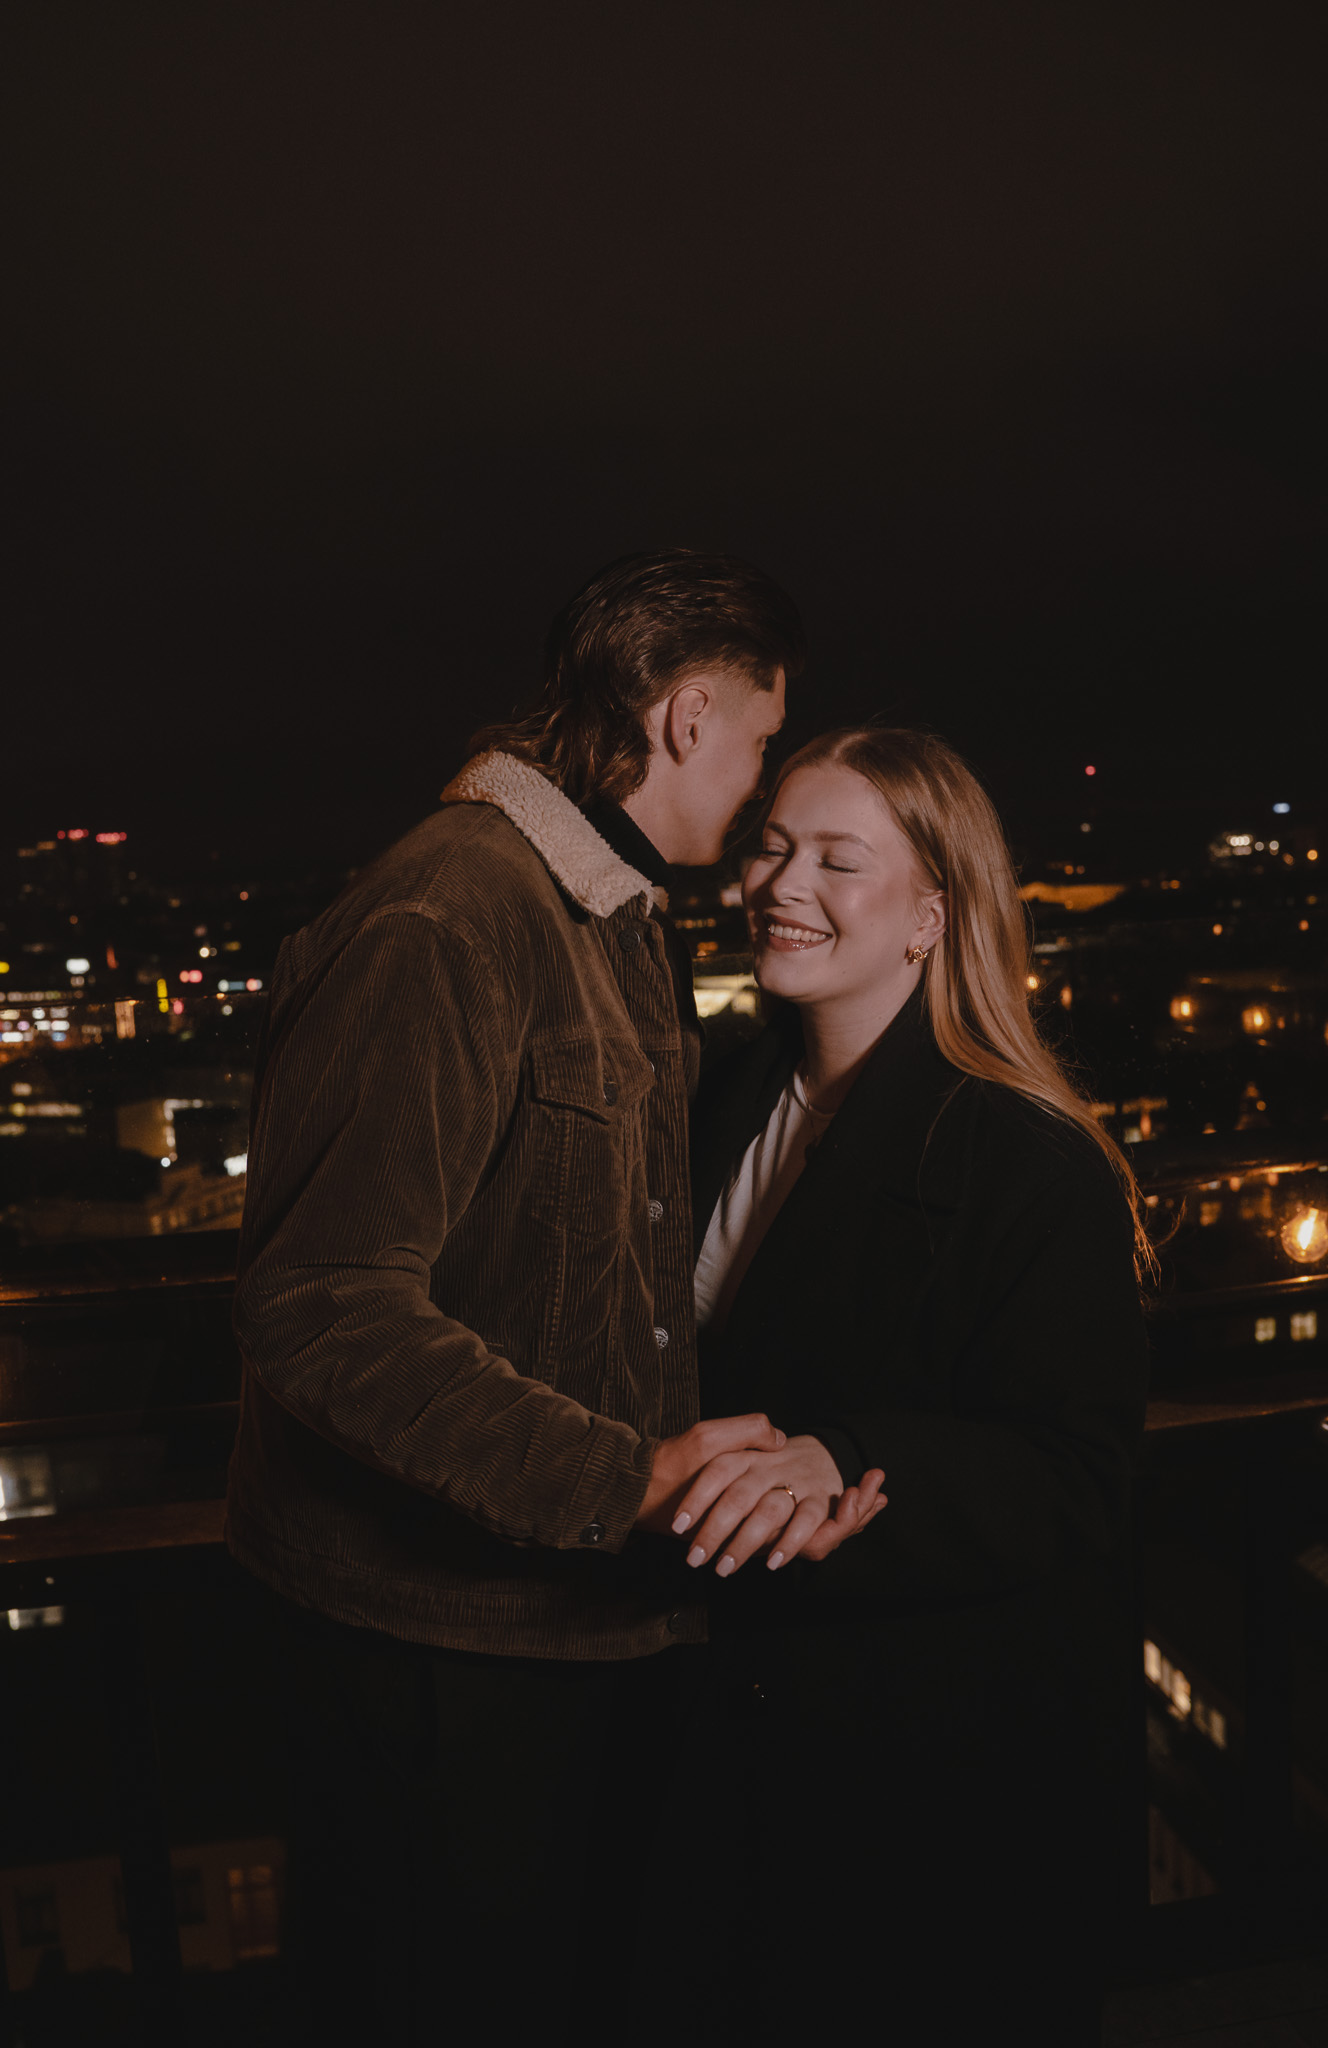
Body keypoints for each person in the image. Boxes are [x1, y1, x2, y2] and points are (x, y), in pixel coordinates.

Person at [224, 552, 884, 2044]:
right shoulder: (447, 918)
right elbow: (322, 1305)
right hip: (437, 1661)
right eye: (765, 740)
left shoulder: (610, 918)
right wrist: (627, 1478)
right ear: (690, 714)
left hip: (566, 1635)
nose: (761, 778)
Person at [667, 726, 1150, 2044]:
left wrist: (847, 1454)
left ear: (932, 915)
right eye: (769, 847)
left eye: (836, 859)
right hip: (736, 1765)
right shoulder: (719, 1097)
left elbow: (1075, 1476)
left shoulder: (1027, 1162)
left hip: (933, 1791)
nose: (779, 883)